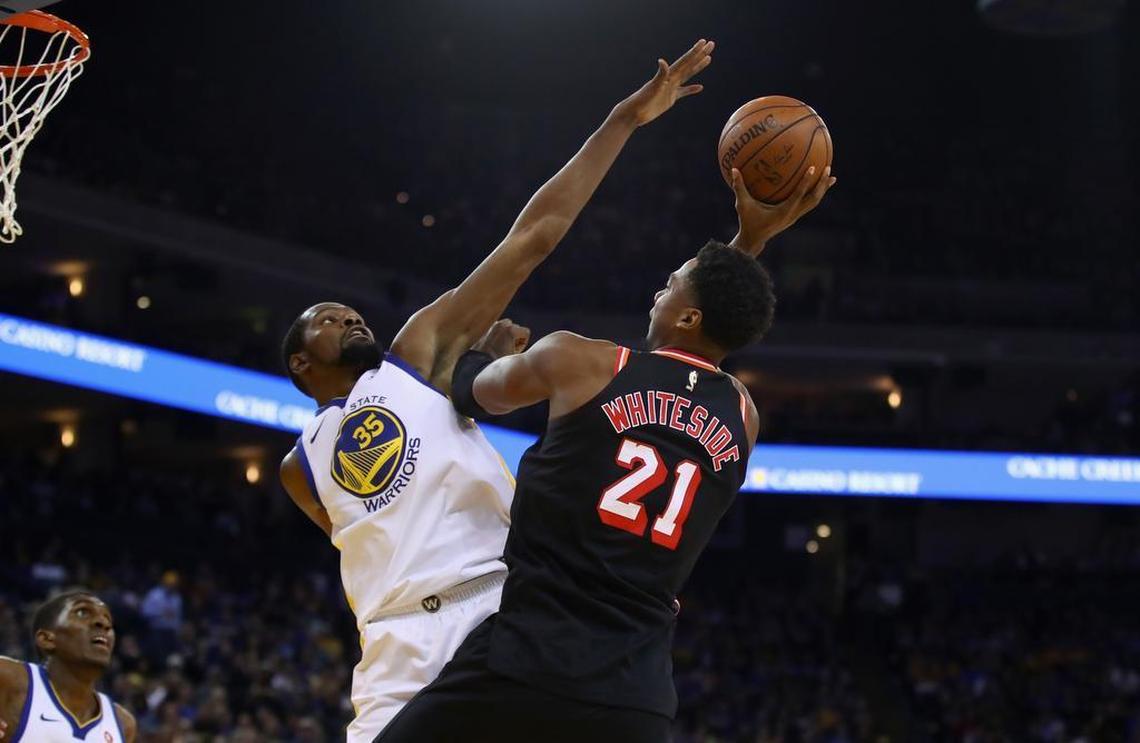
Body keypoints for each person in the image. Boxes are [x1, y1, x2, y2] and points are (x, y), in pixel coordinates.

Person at [278, 39, 717, 742]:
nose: (349, 316)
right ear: (301, 364)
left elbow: (531, 239)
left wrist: (620, 123)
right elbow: (379, 531)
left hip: (499, 623)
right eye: (327, 319)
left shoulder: (415, 355)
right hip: (394, 646)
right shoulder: (298, 465)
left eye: (350, 310)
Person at [376, 158, 836, 740]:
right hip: (635, 699)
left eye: (669, 286)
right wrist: (747, 243)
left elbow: (470, 392)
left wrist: (486, 354)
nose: (656, 292)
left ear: (689, 314)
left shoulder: (579, 360)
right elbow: (718, 325)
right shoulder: (744, 415)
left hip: (524, 662)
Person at [0, 591, 136, 742]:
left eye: (107, 618)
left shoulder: (123, 724)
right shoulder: (10, 679)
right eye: (82, 612)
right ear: (47, 639)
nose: (103, 623)